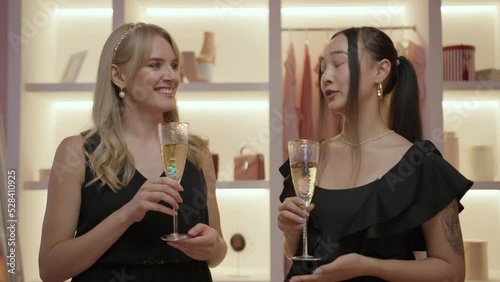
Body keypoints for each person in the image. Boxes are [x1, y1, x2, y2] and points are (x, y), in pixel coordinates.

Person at [278, 27, 472, 282]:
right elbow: (295, 253)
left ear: (380, 71)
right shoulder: (311, 158)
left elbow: (453, 273)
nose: (325, 77)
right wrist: (291, 235)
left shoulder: (419, 164)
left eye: (338, 64)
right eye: (322, 68)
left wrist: (367, 267)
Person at [38, 22, 227, 282]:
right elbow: (50, 269)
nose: (172, 76)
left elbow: (217, 254)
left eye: (173, 65)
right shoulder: (77, 152)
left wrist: (212, 245)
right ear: (119, 76)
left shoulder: (196, 151)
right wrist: (128, 214)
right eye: (155, 65)